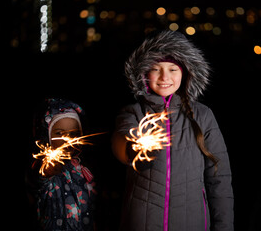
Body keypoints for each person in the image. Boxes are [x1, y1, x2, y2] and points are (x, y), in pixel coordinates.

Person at [112, 30, 234, 231]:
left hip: (192, 222)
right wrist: (132, 150)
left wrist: (224, 226)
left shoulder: (202, 116)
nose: (164, 77)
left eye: (172, 69)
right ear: (143, 73)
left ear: (186, 72)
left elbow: (219, 177)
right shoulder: (134, 112)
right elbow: (121, 137)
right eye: (156, 69)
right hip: (142, 223)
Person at [26, 98, 96, 231]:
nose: (67, 139)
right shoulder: (43, 165)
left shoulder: (87, 166)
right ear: (48, 135)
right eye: (59, 133)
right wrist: (45, 173)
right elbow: (34, 185)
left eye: (74, 134)